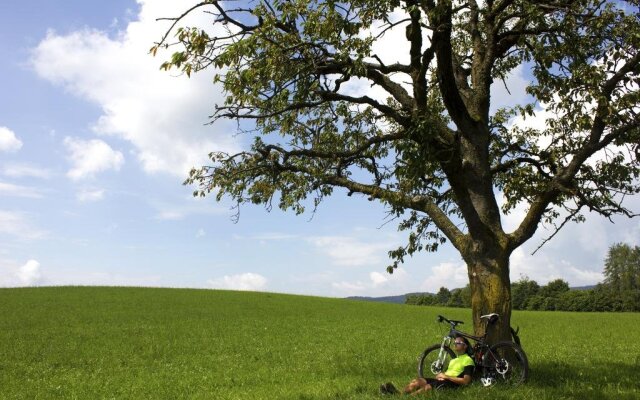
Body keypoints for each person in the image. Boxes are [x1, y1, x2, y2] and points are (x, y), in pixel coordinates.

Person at [380, 334, 475, 395]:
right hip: (444, 380)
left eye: (458, 343)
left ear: (465, 346)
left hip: (452, 384)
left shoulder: (468, 360)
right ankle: (399, 394)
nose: (455, 344)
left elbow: (465, 381)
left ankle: (401, 397)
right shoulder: (454, 360)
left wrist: (446, 377)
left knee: (427, 388)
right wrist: (441, 376)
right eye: (455, 342)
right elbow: (448, 373)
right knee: (418, 381)